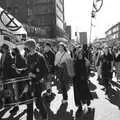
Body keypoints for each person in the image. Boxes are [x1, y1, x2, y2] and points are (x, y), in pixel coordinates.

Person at [23, 39, 49, 120]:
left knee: (38, 102)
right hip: (29, 83)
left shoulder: (40, 57)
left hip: (37, 83)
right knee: (29, 104)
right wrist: (19, 70)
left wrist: (35, 75)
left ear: (31, 47)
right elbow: (27, 69)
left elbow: (46, 71)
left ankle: (44, 116)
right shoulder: (27, 56)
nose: (25, 49)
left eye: (26, 47)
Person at [73, 48, 92, 113]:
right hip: (76, 79)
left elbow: (88, 67)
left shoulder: (85, 60)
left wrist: (86, 76)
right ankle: (79, 106)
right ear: (77, 54)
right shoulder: (75, 60)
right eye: (79, 53)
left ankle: (85, 104)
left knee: (83, 92)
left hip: (83, 79)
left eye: (81, 53)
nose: (80, 54)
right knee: (77, 93)